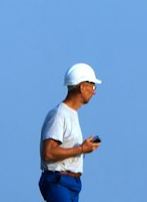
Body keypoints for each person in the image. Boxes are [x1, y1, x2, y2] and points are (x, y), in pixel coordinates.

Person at [38, 64, 102, 201]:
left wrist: (84, 148)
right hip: (58, 181)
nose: (94, 91)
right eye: (93, 86)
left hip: (71, 184)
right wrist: (81, 149)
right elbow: (48, 153)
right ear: (82, 87)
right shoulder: (59, 115)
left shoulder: (72, 114)